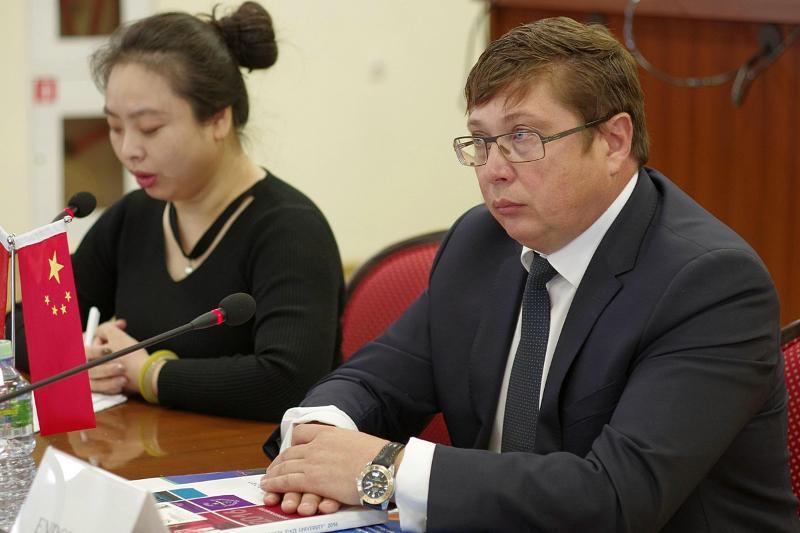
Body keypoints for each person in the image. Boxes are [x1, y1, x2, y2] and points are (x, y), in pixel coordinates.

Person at [259, 16, 799, 532]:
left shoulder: (710, 284)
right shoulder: (481, 242)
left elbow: (613, 501)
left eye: (523, 136)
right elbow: (377, 379)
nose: (494, 169)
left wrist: (386, 469)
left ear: (613, 141)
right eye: (480, 140)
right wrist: (319, 438)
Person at [8, 2, 345, 422]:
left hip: (254, 459)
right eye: (115, 127)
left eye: (149, 128)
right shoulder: (134, 217)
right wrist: (74, 355)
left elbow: (287, 382)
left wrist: (149, 374)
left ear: (218, 118)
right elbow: (19, 328)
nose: (128, 149)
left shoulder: (290, 230)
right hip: (149, 449)